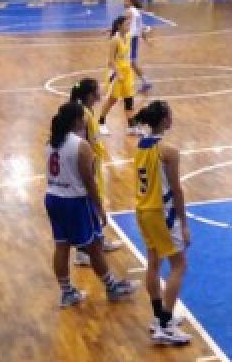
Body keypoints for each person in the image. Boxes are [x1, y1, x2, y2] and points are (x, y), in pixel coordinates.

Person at [44, 102, 138, 308]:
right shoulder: (80, 145)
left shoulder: (50, 142)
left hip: (52, 198)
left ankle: (67, 292)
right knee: (94, 246)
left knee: (62, 246)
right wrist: (99, 207)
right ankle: (112, 287)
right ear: (78, 120)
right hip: (74, 202)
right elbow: (89, 181)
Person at [133, 100, 192, 345]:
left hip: (143, 210)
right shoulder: (168, 152)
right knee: (179, 265)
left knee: (154, 263)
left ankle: (159, 317)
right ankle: (166, 325)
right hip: (162, 212)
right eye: (170, 114)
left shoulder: (141, 145)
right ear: (165, 120)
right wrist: (184, 224)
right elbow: (176, 190)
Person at [69, 78, 123, 266]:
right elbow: (79, 142)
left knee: (92, 204)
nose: (101, 93)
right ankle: (82, 251)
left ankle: (97, 241)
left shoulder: (88, 111)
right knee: (87, 205)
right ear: (89, 95)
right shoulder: (82, 114)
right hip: (86, 164)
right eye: (97, 90)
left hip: (94, 162)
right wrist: (87, 165)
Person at [98, 16, 140, 137]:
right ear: (119, 26)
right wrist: (118, 73)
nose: (128, 26)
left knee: (129, 98)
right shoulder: (115, 40)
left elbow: (137, 29)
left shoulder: (127, 36)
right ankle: (101, 123)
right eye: (126, 24)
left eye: (128, 24)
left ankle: (131, 127)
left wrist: (144, 29)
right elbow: (110, 61)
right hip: (116, 72)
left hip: (127, 70)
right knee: (113, 99)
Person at [123, 0, 153, 94]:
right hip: (133, 38)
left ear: (131, 1)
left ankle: (144, 82)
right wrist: (145, 39)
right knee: (130, 62)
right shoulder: (136, 12)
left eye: (125, 0)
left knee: (129, 62)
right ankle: (145, 82)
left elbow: (124, 26)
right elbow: (140, 27)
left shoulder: (130, 12)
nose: (123, 2)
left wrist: (114, 32)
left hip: (130, 39)